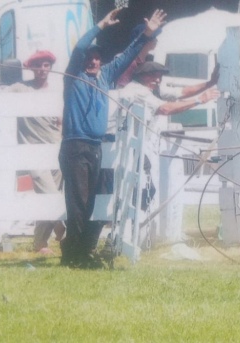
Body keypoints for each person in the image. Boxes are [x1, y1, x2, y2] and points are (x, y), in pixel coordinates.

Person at [60, 8, 165, 269]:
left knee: (94, 202)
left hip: (95, 147)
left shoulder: (106, 76)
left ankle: (84, 251)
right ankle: (73, 254)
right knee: (78, 203)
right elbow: (80, 47)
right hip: (75, 146)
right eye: (90, 58)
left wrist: (148, 33)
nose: (94, 62)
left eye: (97, 59)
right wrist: (101, 25)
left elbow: (129, 55)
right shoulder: (73, 77)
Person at [118, 62, 218, 260]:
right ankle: (132, 237)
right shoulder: (137, 91)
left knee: (146, 190)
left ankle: (138, 237)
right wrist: (199, 100)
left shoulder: (149, 88)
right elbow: (164, 109)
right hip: (131, 147)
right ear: (141, 75)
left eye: (159, 76)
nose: (157, 80)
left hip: (143, 145)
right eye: (153, 75)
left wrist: (209, 83)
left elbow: (180, 92)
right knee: (140, 191)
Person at [3, 50, 65, 255]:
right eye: (38, 65)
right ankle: (63, 232)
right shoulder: (20, 89)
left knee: (48, 198)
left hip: (55, 150)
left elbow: (60, 120)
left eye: (46, 65)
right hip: (32, 152)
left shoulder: (56, 92)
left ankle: (39, 243)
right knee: (50, 194)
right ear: (30, 68)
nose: (42, 69)